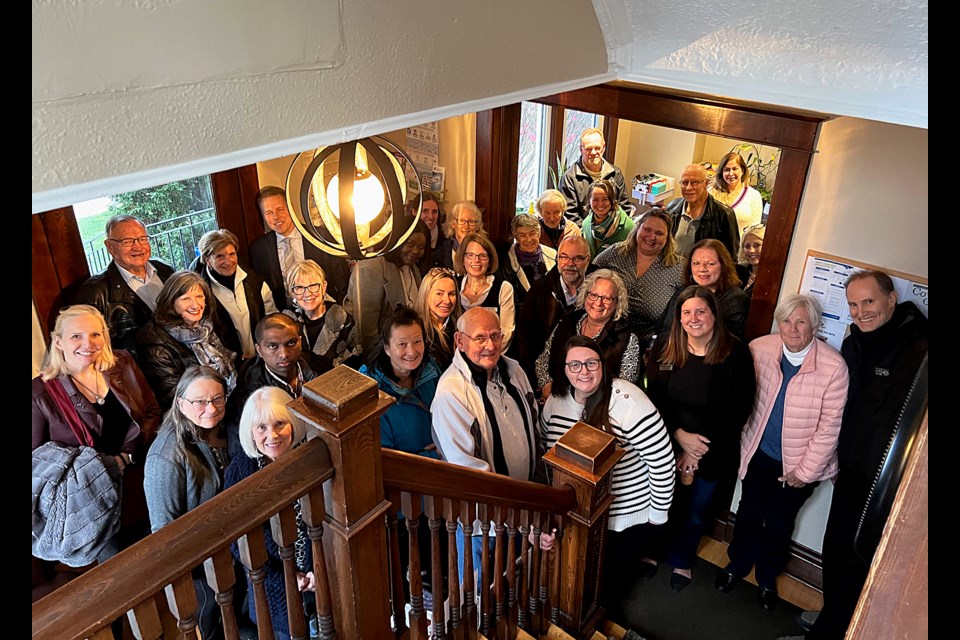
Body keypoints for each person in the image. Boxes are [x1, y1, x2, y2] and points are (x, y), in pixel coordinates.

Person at [801, 270, 927, 640]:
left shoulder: (919, 347)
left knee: (861, 559)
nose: (860, 312)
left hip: (888, 481)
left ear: (891, 299)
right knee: (835, 548)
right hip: (850, 468)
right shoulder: (855, 342)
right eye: (854, 305)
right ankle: (832, 620)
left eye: (869, 302)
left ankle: (835, 630)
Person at [714, 294, 848, 612]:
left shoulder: (834, 367)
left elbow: (830, 428)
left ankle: (767, 577)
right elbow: (739, 397)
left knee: (779, 523)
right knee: (748, 513)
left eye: (801, 321)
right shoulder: (759, 348)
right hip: (759, 455)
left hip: (800, 466)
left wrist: (803, 473)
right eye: (786, 320)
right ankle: (736, 565)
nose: (792, 328)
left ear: (814, 325)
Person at [540, 335, 675, 601]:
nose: (584, 372)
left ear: (603, 364)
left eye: (591, 363)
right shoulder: (556, 401)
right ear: (564, 369)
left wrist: (657, 517)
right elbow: (545, 452)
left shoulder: (628, 401)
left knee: (609, 583)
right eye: (575, 365)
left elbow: (662, 461)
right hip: (574, 512)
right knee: (576, 576)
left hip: (621, 516)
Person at [644, 285, 756, 591]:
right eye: (686, 313)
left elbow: (739, 408)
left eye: (701, 311)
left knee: (695, 510)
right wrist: (679, 436)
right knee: (661, 502)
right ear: (679, 318)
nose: (694, 319)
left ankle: (682, 557)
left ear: (714, 315)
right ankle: (653, 551)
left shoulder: (736, 353)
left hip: (714, 448)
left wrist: (696, 449)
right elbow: (655, 398)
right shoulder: (666, 348)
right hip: (666, 440)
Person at [32, 304, 160, 565]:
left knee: (162, 559)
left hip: (145, 484)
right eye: (76, 336)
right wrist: (107, 466)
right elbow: (37, 464)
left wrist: (128, 457)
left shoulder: (122, 363)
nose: (87, 343)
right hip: (93, 503)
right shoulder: (40, 393)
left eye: (95, 334)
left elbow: (151, 411)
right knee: (123, 577)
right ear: (58, 342)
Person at [431, 307, 540, 588]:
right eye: (480, 338)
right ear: (460, 341)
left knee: (518, 588)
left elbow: (535, 428)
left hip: (523, 513)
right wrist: (520, 511)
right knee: (482, 599)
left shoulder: (514, 370)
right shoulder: (451, 391)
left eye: (495, 335)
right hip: (482, 528)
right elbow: (467, 470)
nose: (490, 345)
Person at [143, 366, 234, 640]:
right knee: (211, 623)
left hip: (230, 544)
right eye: (199, 402)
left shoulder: (226, 429)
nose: (211, 408)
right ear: (181, 403)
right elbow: (164, 529)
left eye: (218, 399)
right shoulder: (166, 457)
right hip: (198, 563)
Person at [224, 386, 315, 640]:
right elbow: (238, 542)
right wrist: (286, 577)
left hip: (321, 577)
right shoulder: (239, 472)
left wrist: (316, 569)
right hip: (273, 588)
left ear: (293, 424)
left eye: (280, 424)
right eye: (261, 427)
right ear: (251, 433)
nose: (272, 435)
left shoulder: (311, 456)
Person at [135, 270, 238, 410]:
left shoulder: (209, 323)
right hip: (195, 415)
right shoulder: (154, 343)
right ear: (171, 302)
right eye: (186, 299)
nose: (195, 305)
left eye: (199, 297)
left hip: (229, 401)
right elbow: (175, 397)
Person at [223, 312, 320, 458]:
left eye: (291, 343)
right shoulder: (247, 397)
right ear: (259, 350)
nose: (284, 354)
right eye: (273, 346)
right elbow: (242, 450)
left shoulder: (317, 366)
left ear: (300, 341)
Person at [76, 215, 174, 356]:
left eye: (143, 239)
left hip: (182, 363)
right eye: (127, 241)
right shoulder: (95, 292)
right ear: (110, 247)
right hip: (138, 371)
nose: (138, 247)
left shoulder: (166, 271)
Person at [535, 269, 641, 398]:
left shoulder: (627, 337)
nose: (598, 303)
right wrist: (546, 384)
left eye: (607, 298)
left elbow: (625, 386)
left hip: (600, 409)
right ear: (585, 295)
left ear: (617, 303)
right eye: (593, 295)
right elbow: (543, 360)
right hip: (558, 399)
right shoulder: (567, 322)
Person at [593, 207, 686, 354]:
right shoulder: (616, 253)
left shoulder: (678, 267)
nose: (651, 236)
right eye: (647, 229)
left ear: (668, 238)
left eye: (659, 233)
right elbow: (591, 273)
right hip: (607, 340)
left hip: (649, 348)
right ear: (638, 228)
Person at [248, 185, 351, 310]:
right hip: (285, 319)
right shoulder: (258, 249)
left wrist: (341, 311)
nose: (276, 217)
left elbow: (342, 280)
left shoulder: (321, 236)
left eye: (280, 209)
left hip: (326, 313)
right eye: (269, 212)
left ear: (290, 207)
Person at [360, 305, 441, 457]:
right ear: (387, 348)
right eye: (402, 344)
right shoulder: (370, 391)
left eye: (417, 341)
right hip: (409, 472)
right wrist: (435, 455)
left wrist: (446, 443)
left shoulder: (431, 370)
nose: (411, 351)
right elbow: (384, 458)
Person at [515, 235, 592, 393]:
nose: (570, 264)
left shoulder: (597, 291)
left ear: (588, 259)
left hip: (587, 375)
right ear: (557, 258)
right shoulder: (539, 290)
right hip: (547, 378)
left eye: (577, 258)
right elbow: (526, 340)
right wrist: (537, 382)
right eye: (564, 257)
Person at [191, 228, 278, 362]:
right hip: (230, 364)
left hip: (262, 357)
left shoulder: (255, 281)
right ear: (207, 260)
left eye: (232, 254)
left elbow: (271, 316)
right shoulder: (200, 294)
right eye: (220, 256)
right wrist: (235, 358)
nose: (228, 261)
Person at [344, 219, 428, 354]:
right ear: (397, 240)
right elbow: (366, 331)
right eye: (410, 244)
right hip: (380, 355)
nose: (415, 251)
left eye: (421, 247)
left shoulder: (413, 269)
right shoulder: (371, 268)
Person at [283, 259, 361, 373]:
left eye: (313, 285)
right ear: (292, 292)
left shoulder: (342, 319)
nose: (307, 293)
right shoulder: (285, 321)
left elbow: (356, 359)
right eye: (299, 287)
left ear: (324, 287)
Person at [674, 238, 751, 339]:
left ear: (723, 266)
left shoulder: (737, 299)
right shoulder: (682, 291)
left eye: (710, 264)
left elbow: (727, 339)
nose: (702, 269)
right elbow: (663, 329)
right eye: (696, 263)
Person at [454, 232, 516, 351]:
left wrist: (486, 353)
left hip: (491, 354)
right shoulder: (453, 286)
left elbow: (506, 332)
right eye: (470, 255)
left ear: (489, 261)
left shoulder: (503, 288)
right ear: (462, 259)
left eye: (482, 256)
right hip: (457, 354)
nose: (476, 260)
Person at [559, 128, 634, 224]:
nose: (593, 153)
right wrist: (589, 234)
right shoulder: (570, 177)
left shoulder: (616, 174)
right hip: (584, 234)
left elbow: (624, 207)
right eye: (589, 149)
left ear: (603, 147)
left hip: (614, 233)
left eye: (597, 148)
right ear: (581, 150)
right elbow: (570, 215)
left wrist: (614, 231)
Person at [665, 163, 740, 260]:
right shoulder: (672, 208)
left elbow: (731, 257)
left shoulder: (724, 215)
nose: (688, 188)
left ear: (706, 183)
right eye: (684, 182)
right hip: (672, 272)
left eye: (695, 182)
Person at [498, 213, 557, 312]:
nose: (529, 239)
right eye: (522, 235)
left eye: (532, 233)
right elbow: (511, 299)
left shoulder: (552, 254)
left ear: (539, 233)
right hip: (522, 315)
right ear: (515, 237)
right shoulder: (507, 262)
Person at [414, 267, 463, 371]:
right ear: (426, 294)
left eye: (451, 294)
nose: (447, 300)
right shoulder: (414, 329)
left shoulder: (462, 326)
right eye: (439, 293)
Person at [709, 152, 764, 235]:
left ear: (742, 170)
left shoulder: (753, 195)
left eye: (735, 169)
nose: (731, 173)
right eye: (727, 170)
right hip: (712, 245)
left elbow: (754, 231)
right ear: (721, 172)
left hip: (738, 247)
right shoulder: (711, 192)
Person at [581, 179, 635, 258]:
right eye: (595, 200)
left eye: (605, 199)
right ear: (589, 201)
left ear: (612, 200)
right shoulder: (586, 224)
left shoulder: (628, 228)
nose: (600, 204)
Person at [433, 200, 484, 270]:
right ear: (453, 223)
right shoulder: (440, 253)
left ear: (477, 225)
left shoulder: (486, 251)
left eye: (471, 221)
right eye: (462, 221)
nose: (466, 226)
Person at [736, 223, 765, 298]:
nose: (751, 251)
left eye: (757, 245)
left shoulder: (772, 278)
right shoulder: (737, 272)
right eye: (747, 246)